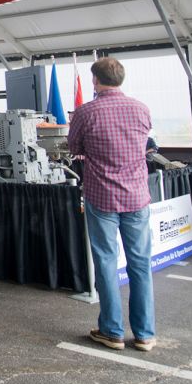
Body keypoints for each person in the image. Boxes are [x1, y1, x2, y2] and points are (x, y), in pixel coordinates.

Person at [67, 56, 156, 352]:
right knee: (140, 263)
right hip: (137, 196)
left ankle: (112, 330)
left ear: (95, 80)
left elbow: (75, 148)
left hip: (102, 196)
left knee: (106, 261)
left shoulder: (85, 112)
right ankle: (145, 334)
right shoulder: (141, 109)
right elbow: (145, 143)